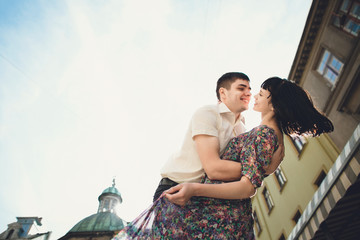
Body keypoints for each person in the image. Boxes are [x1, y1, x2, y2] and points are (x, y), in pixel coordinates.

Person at [113, 77, 334, 239]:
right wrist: (254, 168)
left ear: (274, 104)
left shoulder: (264, 134)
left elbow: (246, 186)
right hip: (214, 212)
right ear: (223, 93)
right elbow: (251, 173)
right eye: (245, 89)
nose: (253, 95)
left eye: (260, 93)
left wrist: (195, 189)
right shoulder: (253, 130)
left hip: (217, 214)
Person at [153, 72, 284, 202]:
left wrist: (258, 168)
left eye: (249, 89)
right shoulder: (208, 113)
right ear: (223, 93)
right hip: (175, 187)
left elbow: (244, 175)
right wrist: (262, 168)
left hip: (204, 196)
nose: (249, 93)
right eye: (241, 88)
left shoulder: (243, 130)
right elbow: (213, 169)